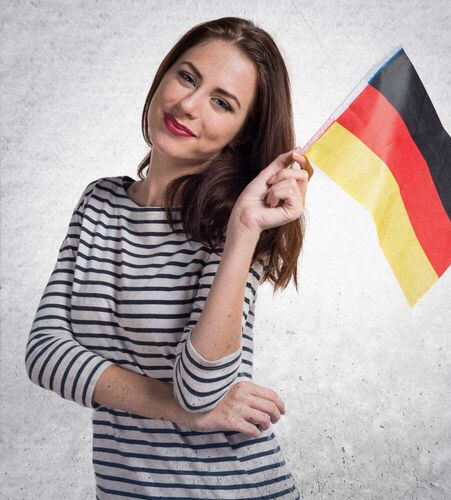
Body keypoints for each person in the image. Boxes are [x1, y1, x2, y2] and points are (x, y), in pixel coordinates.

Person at [25, 16, 313, 499]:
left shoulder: (234, 225)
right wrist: (180, 411)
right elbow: (45, 354)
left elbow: (201, 388)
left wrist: (244, 230)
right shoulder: (99, 203)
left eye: (222, 103)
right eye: (187, 77)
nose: (188, 105)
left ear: (241, 134)